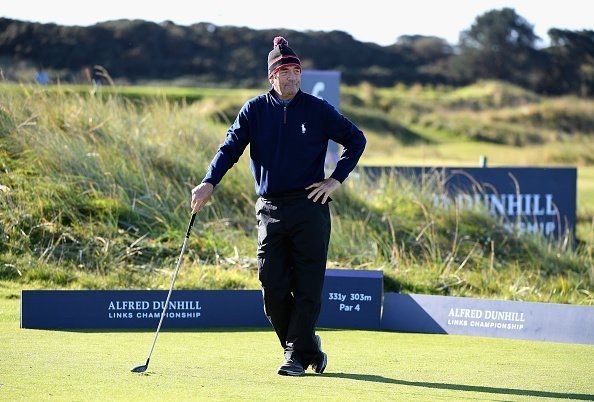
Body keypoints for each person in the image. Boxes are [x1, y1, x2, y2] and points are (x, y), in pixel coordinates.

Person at [190, 36, 366, 376]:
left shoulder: (317, 109)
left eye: (296, 71)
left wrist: (335, 179)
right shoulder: (254, 110)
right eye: (284, 72)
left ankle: (295, 357)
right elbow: (229, 149)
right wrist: (209, 181)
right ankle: (307, 347)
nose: (292, 78)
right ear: (272, 77)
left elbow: (356, 140)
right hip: (269, 208)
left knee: (308, 286)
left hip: (310, 206)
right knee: (272, 286)